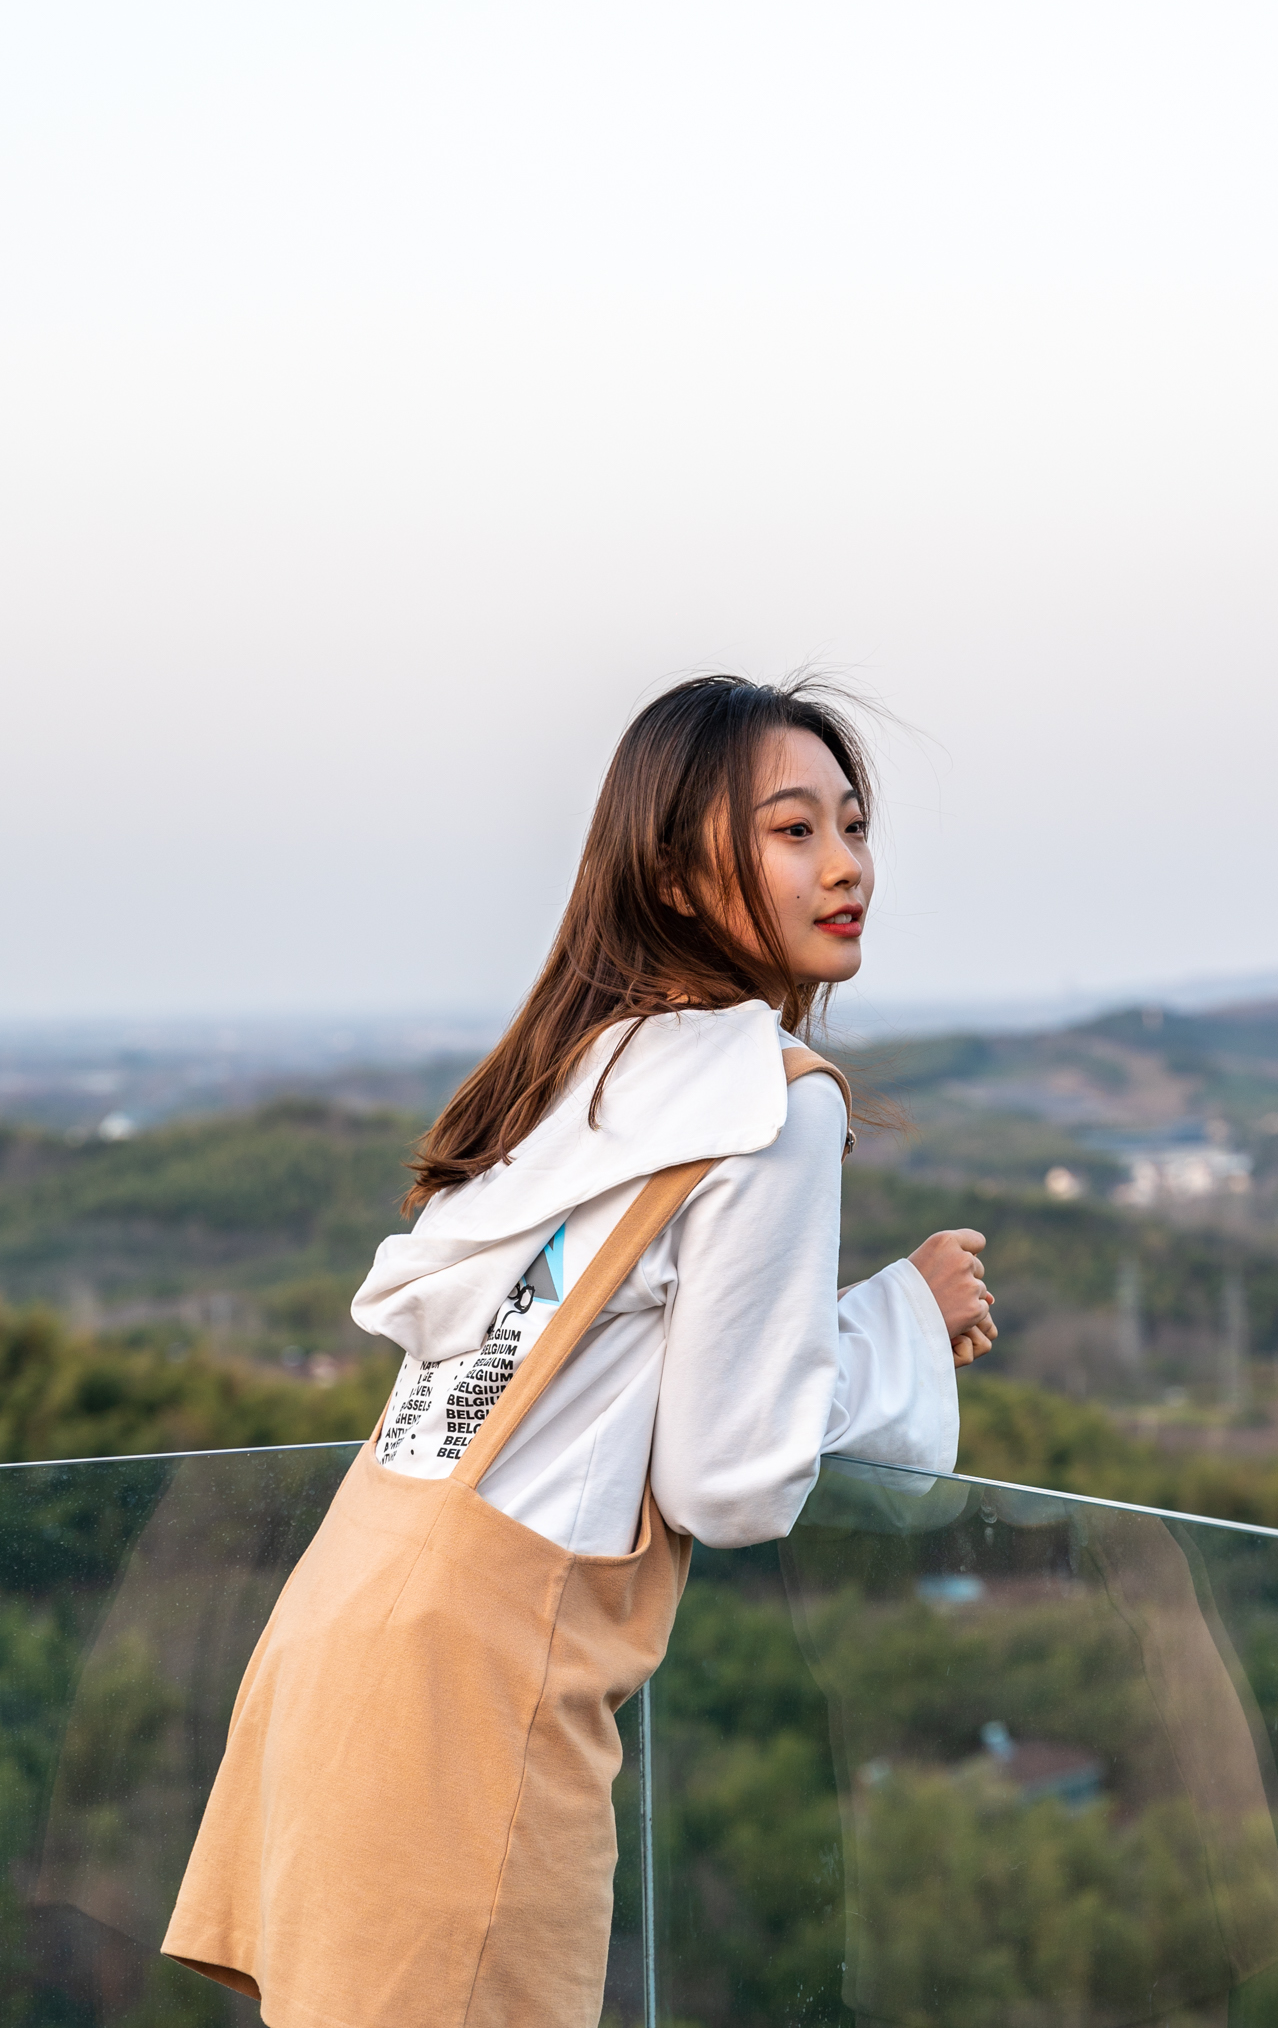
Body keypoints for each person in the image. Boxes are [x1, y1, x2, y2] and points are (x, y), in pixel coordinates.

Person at [164, 673, 995, 2028]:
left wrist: (871, 1316)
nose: (846, 865)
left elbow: (615, 1376)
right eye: (793, 831)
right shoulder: (764, 1102)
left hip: (343, 1631)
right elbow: (731, 1481)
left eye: (850, 825)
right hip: (475, 1697)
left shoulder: (583, 1072)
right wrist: (899, 1322)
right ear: (672, 875)